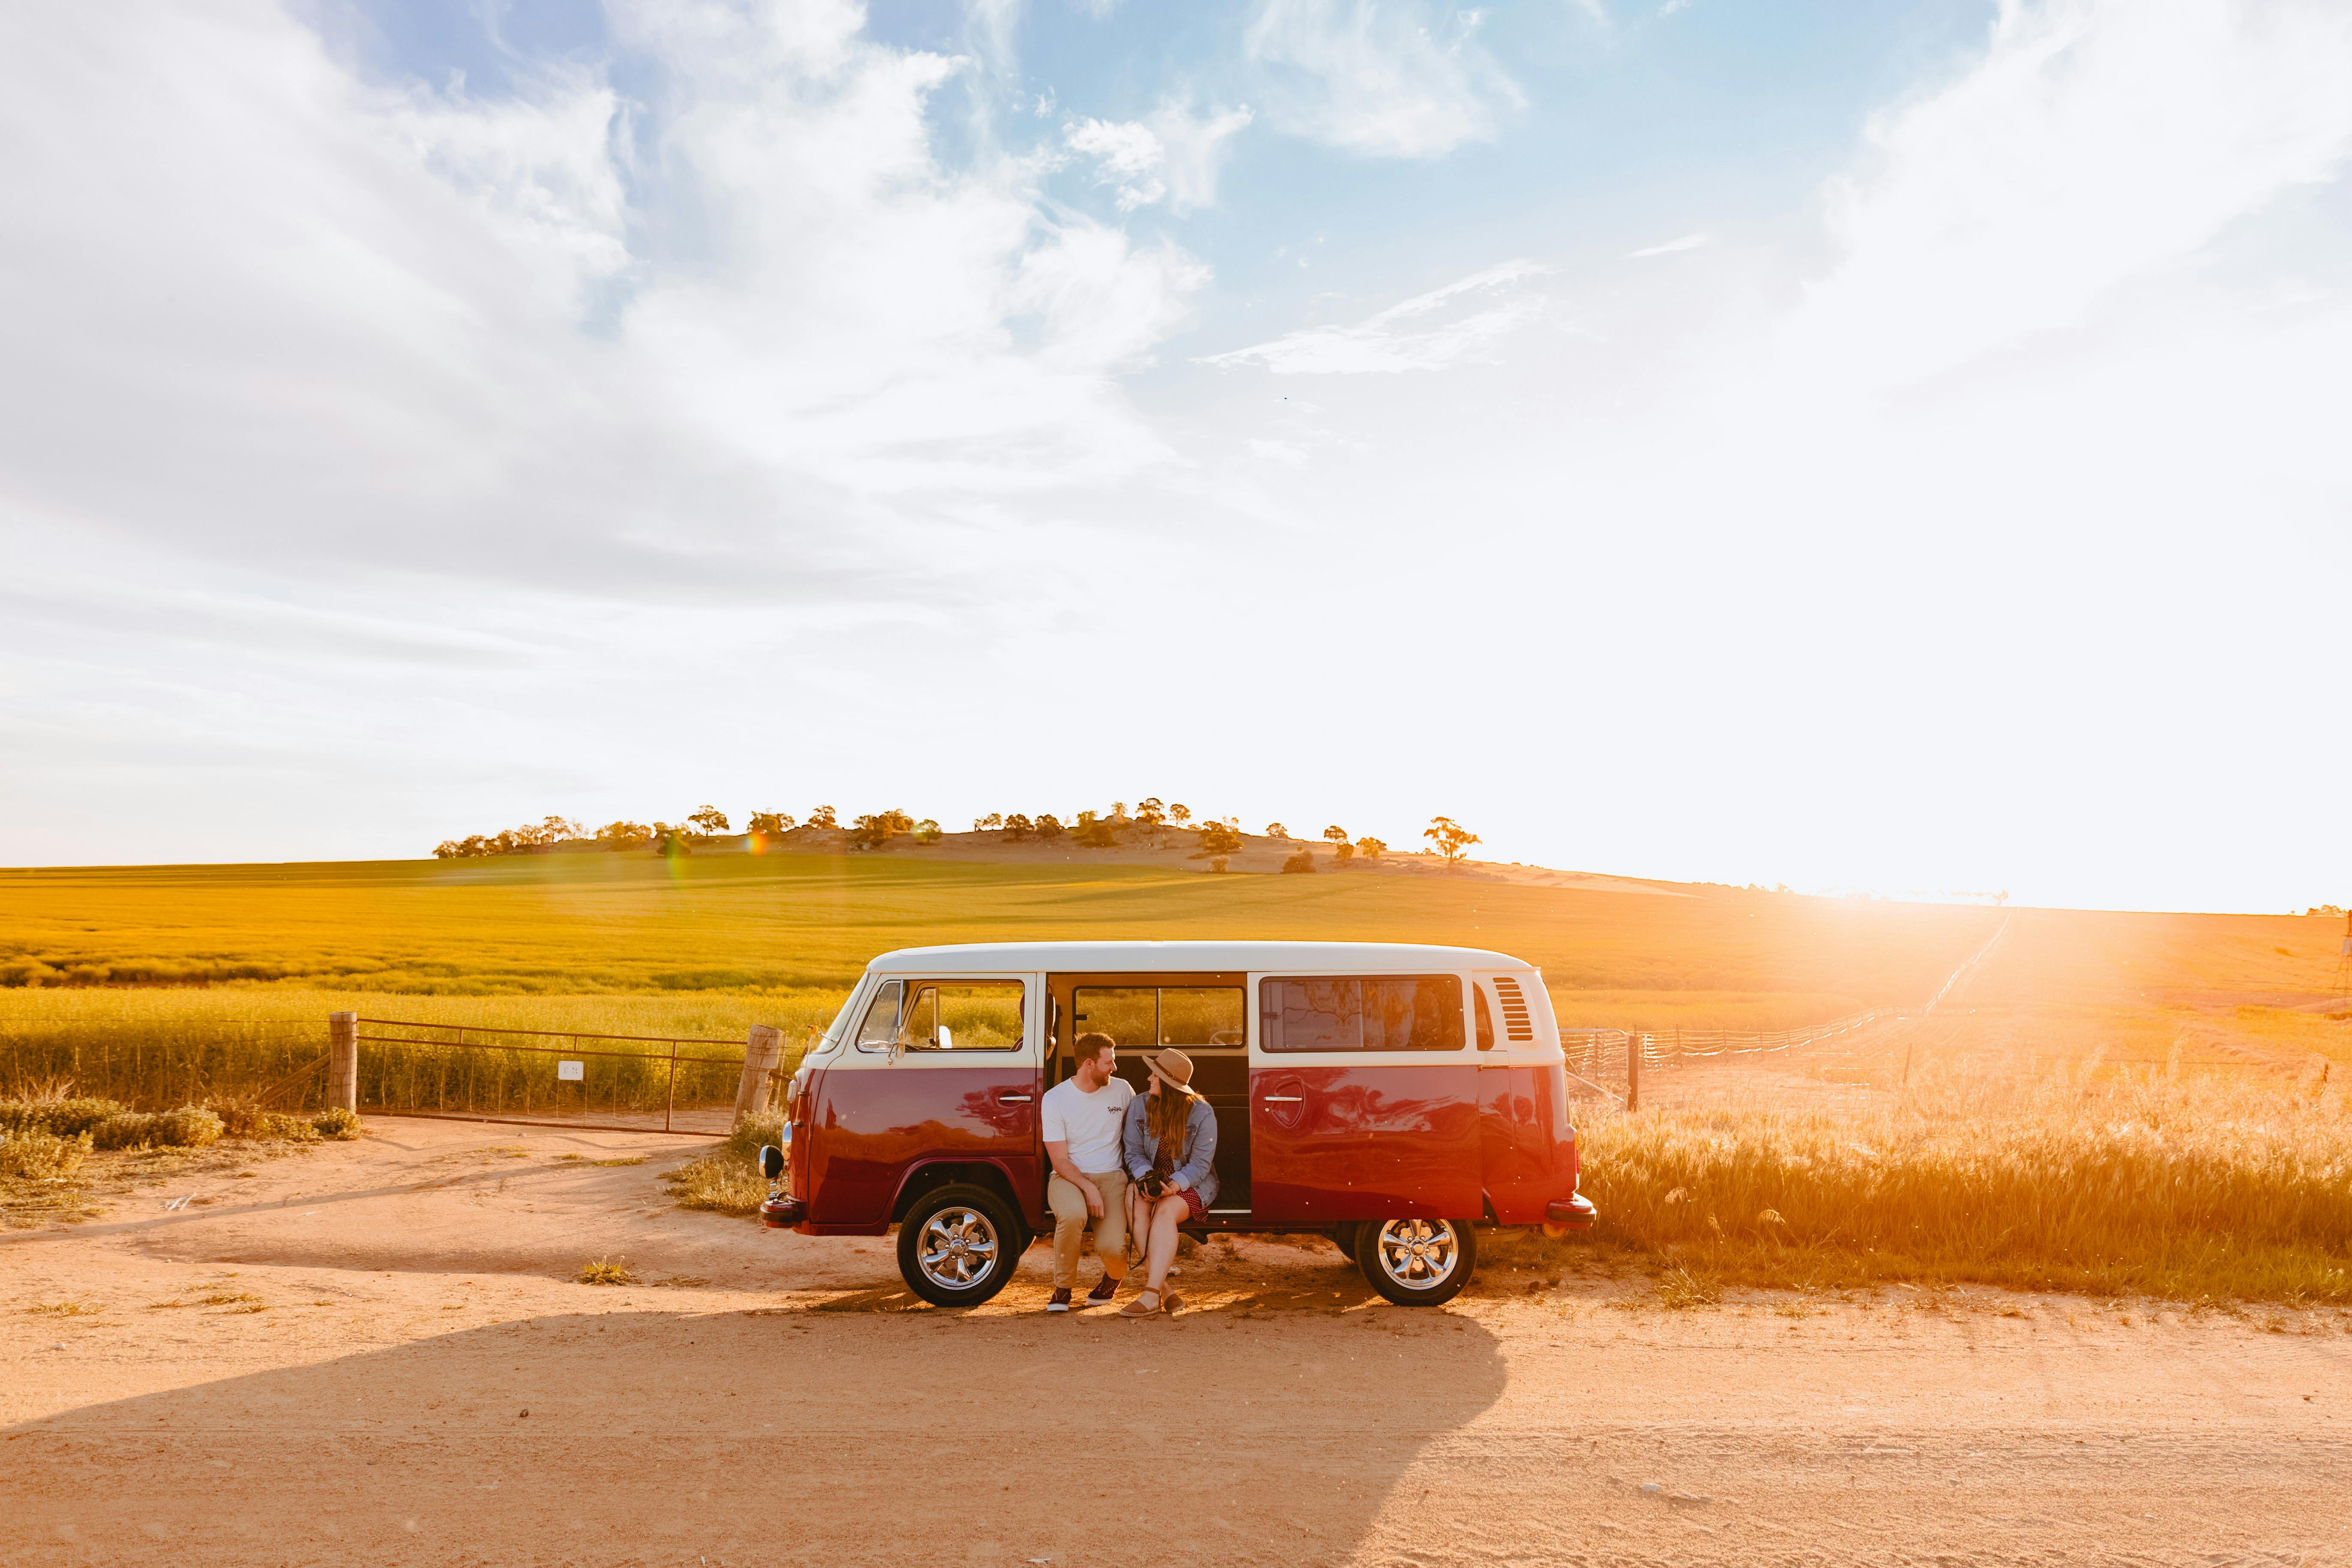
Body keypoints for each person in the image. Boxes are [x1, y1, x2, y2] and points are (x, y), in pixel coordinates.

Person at [1117, 1047, 1217, 1318]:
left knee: (1165, 1211)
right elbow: (1134, 1153)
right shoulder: (1140, 1104)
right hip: (1152, 1179)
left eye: (1155, 1075)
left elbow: (1200, 1165)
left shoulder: (1202, 1113)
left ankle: (1150, 1295)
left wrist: (1172, 1187)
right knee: (1133, 1200)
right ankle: (1164, 1290)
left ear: (1170, 1084)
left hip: (1191, 1185)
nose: (1150, 1079)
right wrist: (1148, 1180)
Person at [1040, 1032, 1135, 1312]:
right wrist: (1088, 1186)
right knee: (1072, 1216)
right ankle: (1063, 1289)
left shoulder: (1122, 1089)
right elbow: (1058, 1159)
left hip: (1112, 1176)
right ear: (1090, 1064)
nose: (1114, 1068)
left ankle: (1113, 1279)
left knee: (1114, 1249)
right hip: (1068, 1176)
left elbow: (1137, 1136)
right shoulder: (1055, 1098)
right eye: (1110, 1062)